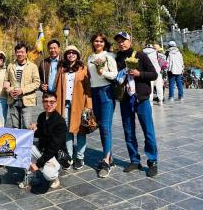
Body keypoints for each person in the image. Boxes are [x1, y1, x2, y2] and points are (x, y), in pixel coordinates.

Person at [114, 32, 159, 177]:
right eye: (119, 41)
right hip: (125, 99)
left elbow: (154, 74)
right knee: (128, 131)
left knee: (148, 131)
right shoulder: (117, 58)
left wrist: (139, 74)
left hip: (141, 99)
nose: (121, 43)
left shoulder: (140, 55)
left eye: (124, 40)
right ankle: (134, 160)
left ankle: (152, 161)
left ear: (130, 40)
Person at [54, 45, 91, 170]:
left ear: (77, 54)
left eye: (73, 52)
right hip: (64, 104)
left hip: (79, 104)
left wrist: (88, 106)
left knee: (80, 130)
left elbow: (88, 89)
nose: (71, 54)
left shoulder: (83, 69)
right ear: (65, 55)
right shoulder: (62, 69)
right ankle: (69, 156)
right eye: (68, 53)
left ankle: (80, 157)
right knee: (67, 131)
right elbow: (57, 87)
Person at [87, 33, 118, 178]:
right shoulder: (90, 58)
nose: (98, 43)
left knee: (105, 126)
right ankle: (109, 156)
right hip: (95, 92)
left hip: (106, 91)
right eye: (96, 41)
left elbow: (115, 75)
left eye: (100, 41)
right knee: (100, 125)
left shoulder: (109, 56)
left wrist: (103, 72)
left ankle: (106, 161)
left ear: (104, 43)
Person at [28, 91, 67, 189]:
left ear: (56, 103)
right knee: (25, 148)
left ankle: (54, 177)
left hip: (55, 155)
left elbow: (53, 148)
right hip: (43, 150)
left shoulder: (60, 122)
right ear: (42, 102)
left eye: (52, 102)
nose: (48, 104)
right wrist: (33, 130)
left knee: (48, 174)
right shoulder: (41, 116)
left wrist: (37, 164)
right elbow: (41, 133)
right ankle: (33, 175)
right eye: (46, 101)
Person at [4, 43, 41, 129]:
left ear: (26, 53)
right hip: (13, 100)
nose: (20, 54)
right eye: (18, 52)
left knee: (27, 125)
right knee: (15, 126)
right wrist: (9, 91)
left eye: (22, 52)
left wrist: (22, 90)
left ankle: (26, 143)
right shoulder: (10, 66)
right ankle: (17, 142)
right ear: (15, 53)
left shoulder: (32, 66)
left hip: (27, 100)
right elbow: (6, 81)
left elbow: (37, 83)